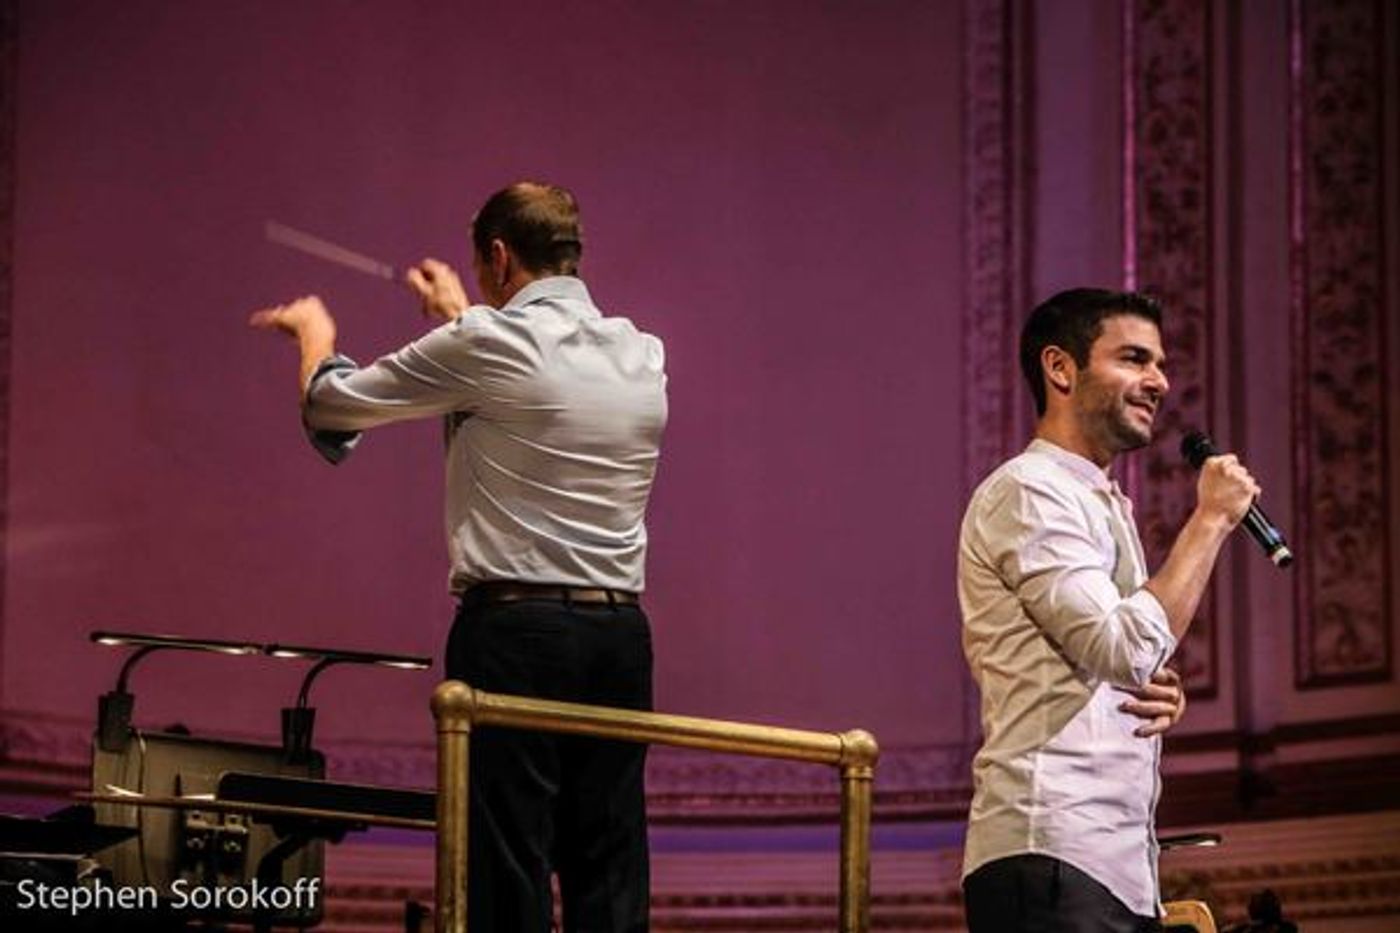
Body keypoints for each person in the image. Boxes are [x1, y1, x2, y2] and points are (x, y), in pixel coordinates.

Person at [250, 182, 667, 933]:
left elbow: (334, 402)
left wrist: (314, 332)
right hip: (620, 641)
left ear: (500, 256)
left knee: (509, 869)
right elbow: (529, 373)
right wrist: (463, 313)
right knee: (609, 864)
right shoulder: (641, 353)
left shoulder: (483, 342)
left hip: (517, 634)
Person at [958, 288, 1259, 932]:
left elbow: (1117, 654)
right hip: (1050, 853)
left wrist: (1150, 690)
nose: (1159, 380)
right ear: (1061, 368)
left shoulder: (1102, 503)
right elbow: (1122, 647)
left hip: (1112, 865)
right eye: (1133, 358)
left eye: (1158, 363)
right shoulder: (1029, 489)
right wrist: (1209, 519)